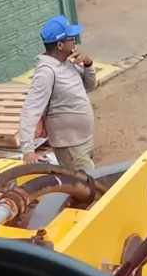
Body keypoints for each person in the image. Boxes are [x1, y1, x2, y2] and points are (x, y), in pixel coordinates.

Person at [19, 15, 97, 172]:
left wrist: (88, 64)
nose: (75, 42)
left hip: (83, 140)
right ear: (60, 45)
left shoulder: (68, 62)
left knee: (87, 183)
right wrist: (28, 150)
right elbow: (30, 110)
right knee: (89, 184)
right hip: (70, 146)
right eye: (72, 39)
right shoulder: (46, 73)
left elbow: (90, 85)